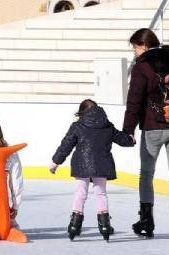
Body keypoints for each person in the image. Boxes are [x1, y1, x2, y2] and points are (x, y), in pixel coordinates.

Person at [124, 28, 169, 240]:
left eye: (135, 47)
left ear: (143, 45)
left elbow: (134, 101)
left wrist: (128, 130)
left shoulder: (142, 67)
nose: (135, 52)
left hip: (153, 128)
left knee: (146, 174)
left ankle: (146, 221)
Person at [49, 99, 135, 240]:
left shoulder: (77, 126)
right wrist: (131, 140)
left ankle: (74, 226)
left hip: (81, 165)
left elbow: (66, 145)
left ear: (82, 112)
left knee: (80, 194)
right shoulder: (107, 125)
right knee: (100, 194)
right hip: (102, 165)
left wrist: (55, 162)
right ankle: (105, 226)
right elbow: (122, 139)